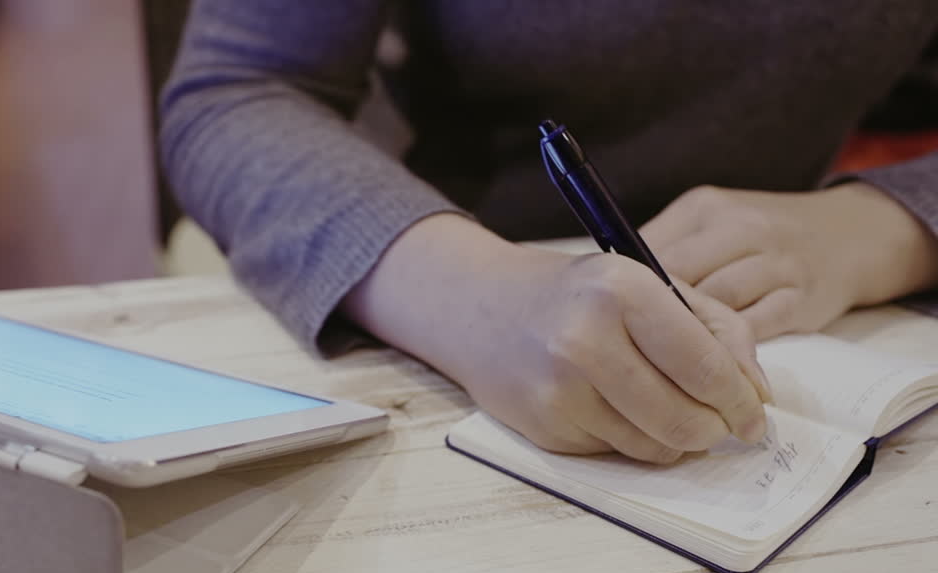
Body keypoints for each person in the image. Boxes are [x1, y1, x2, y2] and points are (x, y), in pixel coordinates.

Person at [159, 1, 938, 464]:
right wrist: (475, 299)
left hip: (801, 313)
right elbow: (236, 92)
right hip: (437, 305)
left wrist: (884, 225)